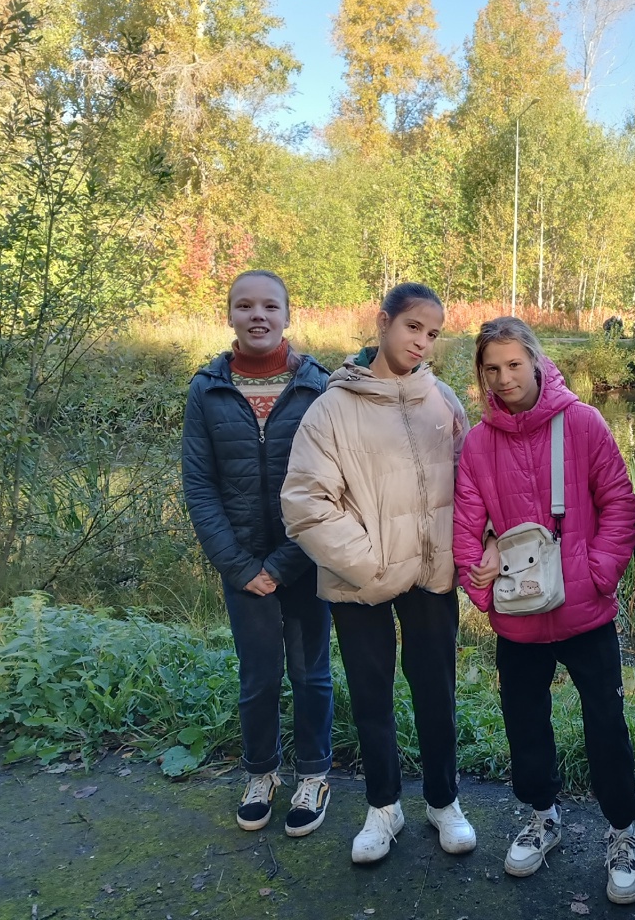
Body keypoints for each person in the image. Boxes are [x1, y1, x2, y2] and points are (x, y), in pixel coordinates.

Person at [280, 282, 476, 865]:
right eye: (413, 327)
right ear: (383, 321)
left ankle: (443, 801)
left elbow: (472, 486)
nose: (422, 343)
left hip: (432, 576)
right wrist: (371, 564)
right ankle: (383, 808)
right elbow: (306, 503)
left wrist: (470, 548)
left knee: (437, 692)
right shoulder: (332, 409)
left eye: (433, 334)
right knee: (371, 697)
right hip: (359, 580)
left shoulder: (443, 401)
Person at [452, 317, 635, 904]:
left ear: (535, 362)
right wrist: (481, 587)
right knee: (524, 722)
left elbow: (619, 503)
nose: (504, 378)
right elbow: (466, 524)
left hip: (587, 614)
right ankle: (543, 817)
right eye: (492, 368)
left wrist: (599, 573)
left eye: (514, 364)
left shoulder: (582, 423)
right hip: (519, 615)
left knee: (605, 723)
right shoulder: (478, 443)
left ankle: (622, 832)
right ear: (481, 373)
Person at [181, 269, 335, 838]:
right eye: (244, 305)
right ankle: (261, 773)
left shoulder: (319, 387)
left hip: (308, 558)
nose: (258, 315)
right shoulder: (207, 389)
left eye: (270, 305)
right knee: (258, 677)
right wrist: (242, 567)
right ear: (229, 315)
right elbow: (199, 486)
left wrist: (285, 562)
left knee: (311, 674)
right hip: (241, 565)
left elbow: (332, 484)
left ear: (287, 315)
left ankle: (314, 775)